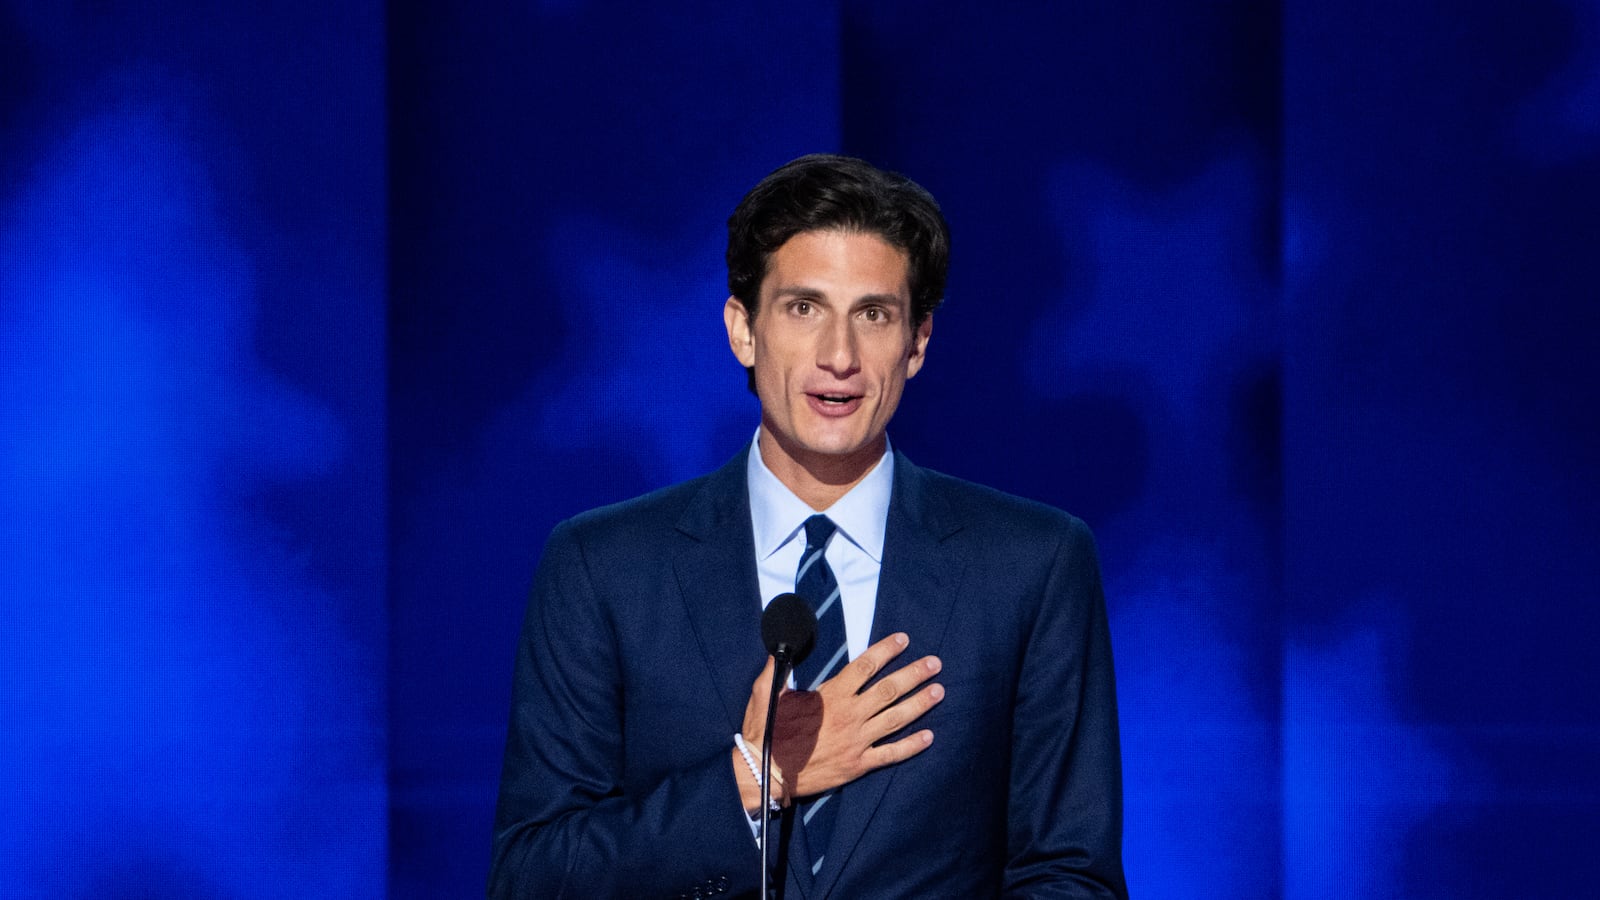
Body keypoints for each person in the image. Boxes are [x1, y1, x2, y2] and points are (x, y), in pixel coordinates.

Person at [489, 154, 1126, 898]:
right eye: (803, 308)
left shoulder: (1034, 563)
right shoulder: (601, 567)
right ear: (743, 330)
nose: (839, 357)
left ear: (918, 342)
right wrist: (752, 779)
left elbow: (1070, 876)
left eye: (873, 314)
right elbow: (531, 878)